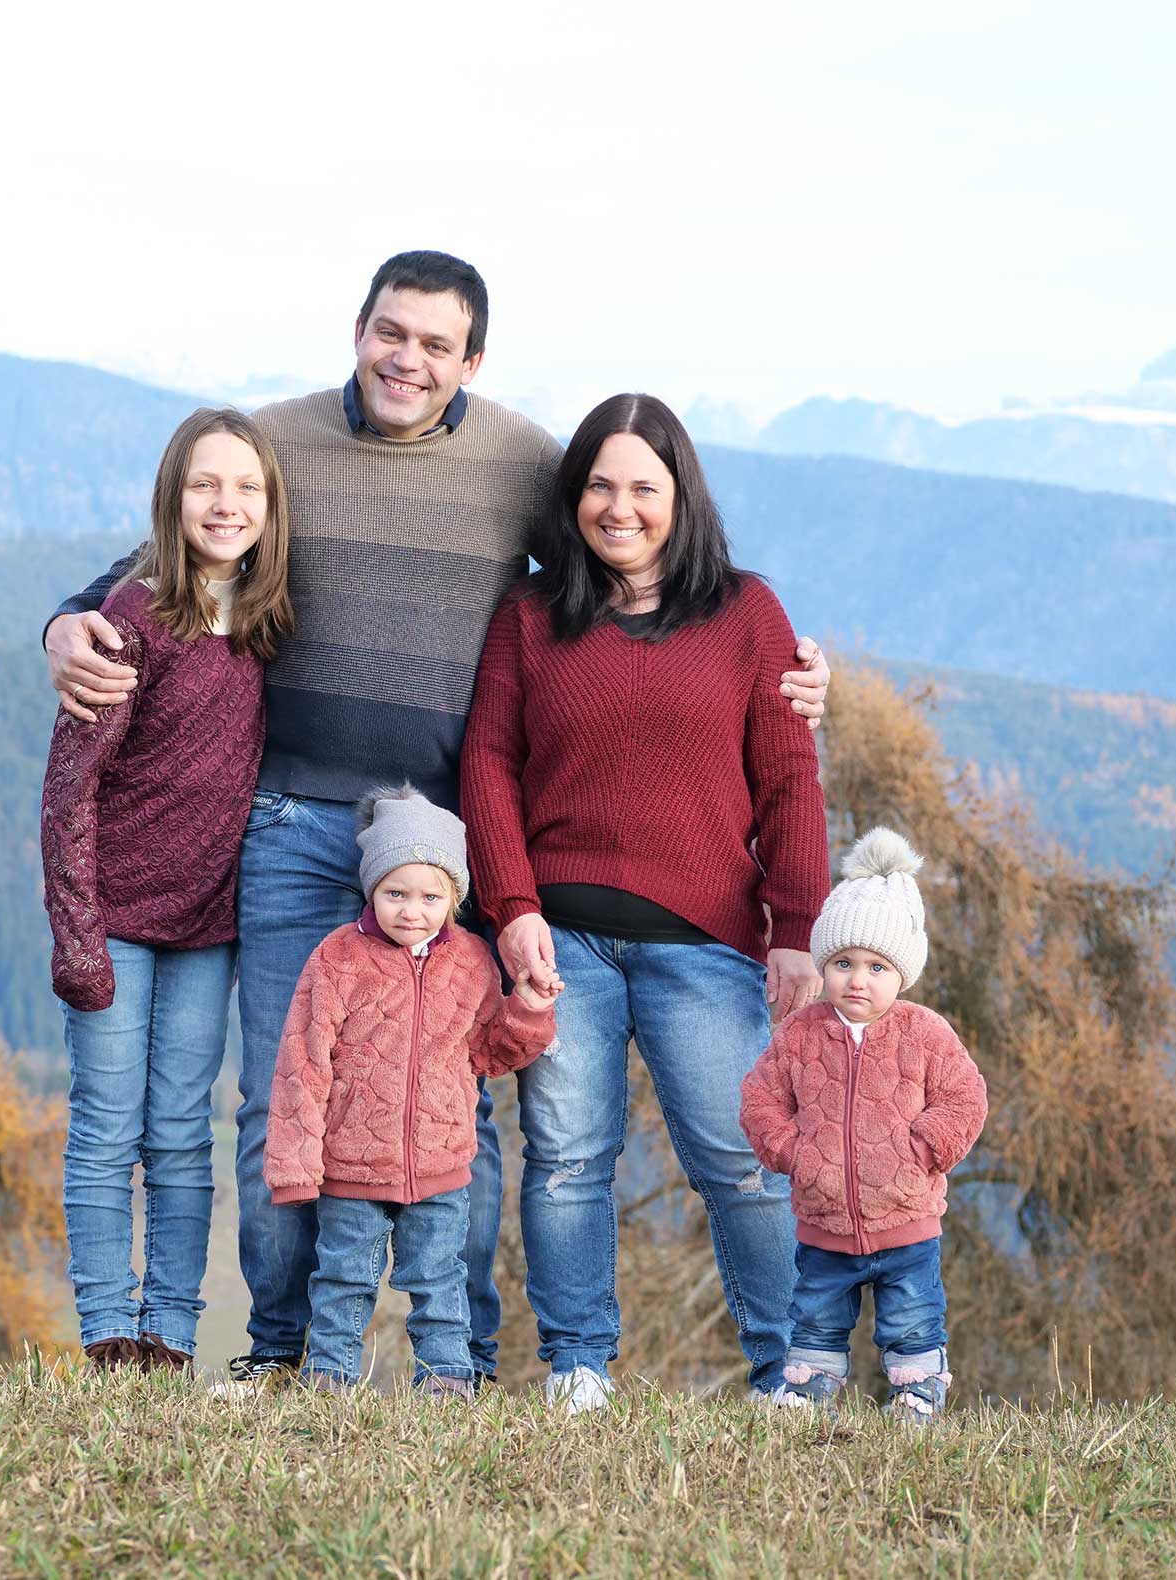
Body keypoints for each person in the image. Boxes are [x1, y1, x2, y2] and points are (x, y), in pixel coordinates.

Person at [45, 252, 831, 1390]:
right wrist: (67, 623)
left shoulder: (522, 461)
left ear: (471, 360)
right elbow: (177, 550)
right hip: (290, 825)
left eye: (434, 343)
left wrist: (794, 673)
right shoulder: (281, 442)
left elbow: (635, 583)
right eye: (389, 332)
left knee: (454, 1107)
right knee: (281, 1100)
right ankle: (281, 1351)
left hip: (435, 849)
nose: (405, 359)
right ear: (358, 330)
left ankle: (455, 1361)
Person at [460, 392, 829, 1411]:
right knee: (569, 1158)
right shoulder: (530, 616)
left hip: (703, 942)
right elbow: (489, 762)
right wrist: (513, 902)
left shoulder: (748, 615)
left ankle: (789, 1374)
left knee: (743, 1161)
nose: (619, 507)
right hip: (559, 936)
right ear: (574, 496)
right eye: (600, 486)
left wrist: (797, 933)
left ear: (681, 496)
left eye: (643, 488)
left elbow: (792, 778)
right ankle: (578, 1366)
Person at [39, 408, 293, 1372]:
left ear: (271, 506)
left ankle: (170, 1336)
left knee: (182, 1134)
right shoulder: (133, 618)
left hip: (207, 926)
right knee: (107, 1124)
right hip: (114, 922)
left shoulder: (272, 623)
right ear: (171, 498)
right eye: (204, 485)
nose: (225, 505)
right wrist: (77, 937)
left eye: (246, 489)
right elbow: (68, 792)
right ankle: (108, 1332)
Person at [263, 787, 561, 1393]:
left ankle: (448, 1379)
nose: (412, 910)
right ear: (372, 889)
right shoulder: (338, 959)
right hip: (350, 1165)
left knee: (439, 1277)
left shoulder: (473, 960)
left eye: (431, 896)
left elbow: (486, 1053)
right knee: (343, 1276)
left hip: (441, 1165)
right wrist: (295, 1167)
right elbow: (303, 1062)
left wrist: (526, 1010)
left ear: (454, 897)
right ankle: (329, 1378)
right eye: (396, 893)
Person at [739, 827, 989, 1421]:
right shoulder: (799, 1034)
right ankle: (806, 1390)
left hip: (906, 1220)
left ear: (902, 973)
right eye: (844, 963)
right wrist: (794, 1152)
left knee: (912, 1318)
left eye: (877, 967)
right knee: (817, 1315)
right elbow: (760, 1100)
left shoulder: (924, 1033)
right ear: (825, 965)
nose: (858, 979)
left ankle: (917, 1395)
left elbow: (965, 1097)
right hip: (823, 1223)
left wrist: (922, 1148)